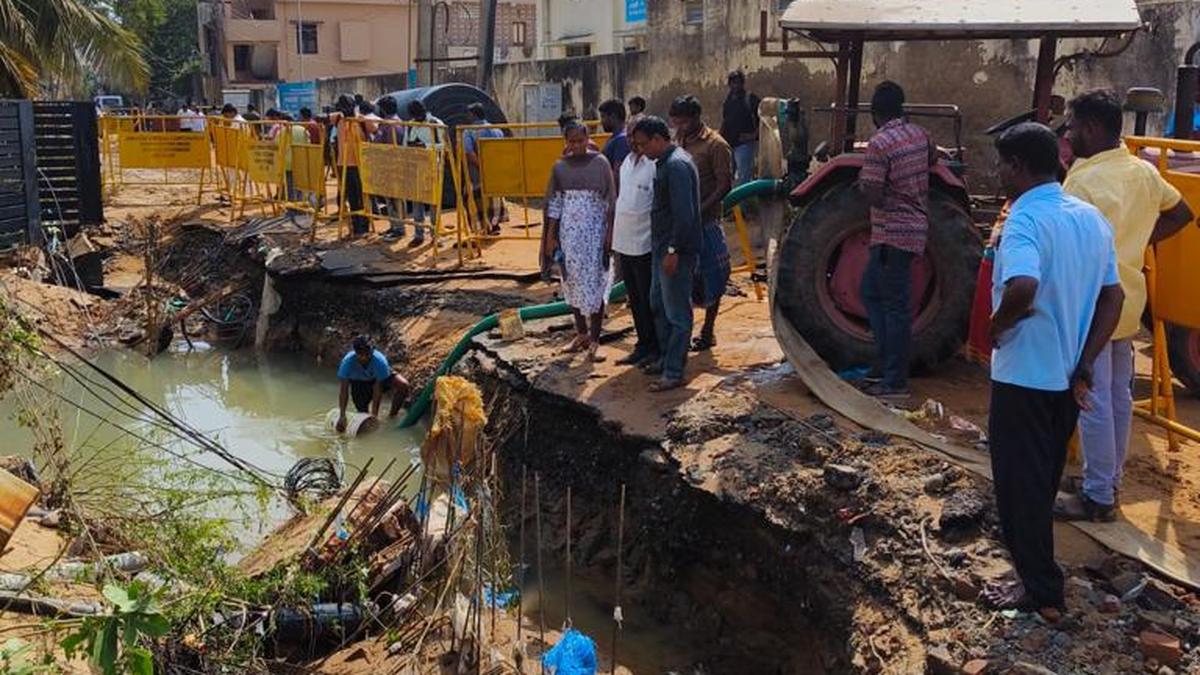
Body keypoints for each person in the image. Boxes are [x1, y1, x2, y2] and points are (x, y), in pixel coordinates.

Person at [984, 121, 1124, 619]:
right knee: (1041, 483)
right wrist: (1086, 361)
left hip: (1024, 377)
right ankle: (1036, 574)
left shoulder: (1023, 219)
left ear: (1018, 167)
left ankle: (1040, 588)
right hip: (1065, 378)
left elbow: (1022, 286)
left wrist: (995, 328)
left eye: (1001, 164)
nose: (997, 173)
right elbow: (1114, 297)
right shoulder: (1090, 219)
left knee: (1019, 487)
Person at [1055, 90, 1195, 521]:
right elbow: (1182, 213)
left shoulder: (1081, 181)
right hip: (1128, 300)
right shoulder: (1142, 171)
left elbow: (1068, 249)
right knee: (1116, 397)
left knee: (1092, 400)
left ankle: (1098, 495)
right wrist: (1138, 241)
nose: (1068, 133)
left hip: (1091, 305)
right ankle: (1107, 480)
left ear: (1092, 129)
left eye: (1072, 125)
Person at [857, 81, 934, 401]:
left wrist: (862, 184)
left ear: (875, 113)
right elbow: (933, 161)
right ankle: (883, 364)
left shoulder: (879, 143)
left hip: (891, 234)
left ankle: (895, 381)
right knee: (870, 293)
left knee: (894, 307)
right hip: (913, 229)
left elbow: (874, 193)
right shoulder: (920, 134)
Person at [632, 116, 701, 392]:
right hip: (662, 248)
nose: (641, 151)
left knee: (677, 312)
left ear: (659, 139)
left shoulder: (677, 166)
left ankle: (674, 371)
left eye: (643, 144)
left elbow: (685, 215)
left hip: (675, 251)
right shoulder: (665, 163)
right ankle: (665, 358)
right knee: (657, 303)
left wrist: (673, 250)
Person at [542, 122, 616, 363]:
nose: (575, 145)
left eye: (579, 140)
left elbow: (610, 204)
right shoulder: (560, 168)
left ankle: (595, 339)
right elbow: (554, 204)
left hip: (595, 235)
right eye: (571, 141)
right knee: (571, 281)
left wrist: (608, 236)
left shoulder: (600, 164)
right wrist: (551, 237)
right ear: (565, 142)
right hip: (570, 237)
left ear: (587, 139)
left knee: (596, 283)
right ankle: (581, 333)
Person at [670, 95, 732, 353]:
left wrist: (699, 210)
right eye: (676, 122)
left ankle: (708, 328)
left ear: (696, 118)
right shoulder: (678, 142)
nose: (679, 126)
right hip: (682, 223)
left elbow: (724, 185)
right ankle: (685, 330)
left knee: (712, 274)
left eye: (683, 121)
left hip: (705, 221)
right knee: (687, 278)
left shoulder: (716, 145)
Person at [612, 126, 659, 368]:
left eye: (637, 137)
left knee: (648, 299)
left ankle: (655, 348)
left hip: (644, 243)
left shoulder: (653, 165)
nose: (632, 141)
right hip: (624, 242)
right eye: (629, 136)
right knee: (635, 299)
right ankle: (642, 345)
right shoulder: (627, 164)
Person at [335, 336, 411, 432]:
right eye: (361, 355)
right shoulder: (347, 362)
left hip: (378, 379)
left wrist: (375, 415)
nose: (364, 357)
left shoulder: (379, 361)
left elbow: (377, 388)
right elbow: (344, 390)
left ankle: (392, 416)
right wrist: (342, 415)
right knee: (363, 418)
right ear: (355, 352)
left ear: (372, 351)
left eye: (367, 354)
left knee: (403, 385)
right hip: (359, 383)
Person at [401, 100, 446, 247]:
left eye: (419, 115)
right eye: (415, 116)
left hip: (433, 167)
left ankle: (436, 235)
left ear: (423, 111)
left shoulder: (435, 123)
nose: (417, 118)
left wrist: (425, 146)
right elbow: (404, 145)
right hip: (416, 168)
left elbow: (444, 146)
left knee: (434, 203)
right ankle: (418, 235)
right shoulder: (410, 125)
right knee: (417, 203)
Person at [331, 94, 371, 236]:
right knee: (351, 198)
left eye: (347, 107)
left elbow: (375, 126)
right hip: (343, 165)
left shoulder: (361, 120)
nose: (345, 110)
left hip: (359, 165)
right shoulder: (338, 119)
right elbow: (326, 117)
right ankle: (356, 228)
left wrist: (362, 117)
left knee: (362, 197)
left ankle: (365, 226)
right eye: (342, 108)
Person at [463, 102, 507, 233]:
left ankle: (481, 228)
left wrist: (482, 167)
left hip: (476, 173)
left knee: (473, 198)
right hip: (494, 171)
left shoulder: (468, 131)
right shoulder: (497, 130)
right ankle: (494, 224)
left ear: (473, 115)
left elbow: (469, 153)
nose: (467, 117)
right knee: (494, 197)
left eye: (468, 114)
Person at [719, 70, 761, 186]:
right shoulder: (728, 100)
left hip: (744, 145)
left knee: (744, 179)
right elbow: (726, 120)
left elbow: (763, 119)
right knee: (728, 177)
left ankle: (745, 203)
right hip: (729, 143)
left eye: (738, 83)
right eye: (733, 83)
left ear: (742, 84)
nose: (736, 85)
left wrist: (753, 135)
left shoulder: (750, 99)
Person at [598, 99, 631, 183]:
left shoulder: (621, 140)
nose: (601, 122)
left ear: (613, 116)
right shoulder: (615, 137)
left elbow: (618, 173)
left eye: (603, 117)